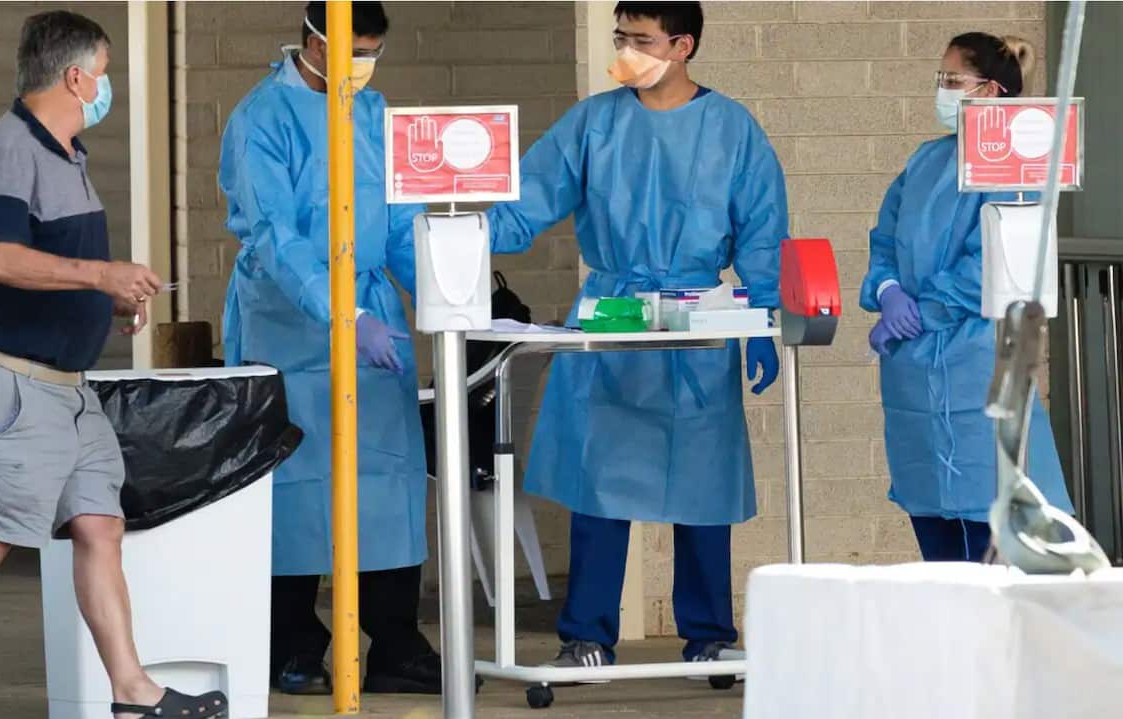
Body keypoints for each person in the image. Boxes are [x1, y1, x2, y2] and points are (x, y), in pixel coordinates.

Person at [0, 11, 226, 719]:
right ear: (76, 76)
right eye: (106, 72)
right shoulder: (9, 149)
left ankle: (132, 691)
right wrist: (100, 274)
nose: (107, 87)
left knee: (98, 525)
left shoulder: (69, 156)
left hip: (68, 388)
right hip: (14, 383)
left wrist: (108, 300)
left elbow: (61, 270)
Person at [486, 1, 786, 672]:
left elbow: (764, 230)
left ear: (682, 45)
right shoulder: (595, 122)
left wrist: (764, 318)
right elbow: (526, 198)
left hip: (699, 320)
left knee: (703, 484)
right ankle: (586, 632)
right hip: (612, 316)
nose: (624, 50)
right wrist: (453, 226)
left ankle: (709, 633)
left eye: (640, 39)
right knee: (601, 481)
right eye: (621, 36)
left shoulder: (732, 130)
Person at [219, 1, 444, 696]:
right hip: (288, 321)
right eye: (352, 49)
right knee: (293, 485)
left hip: (372, 318)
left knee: (388, 478)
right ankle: (292, 642)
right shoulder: (262, 119)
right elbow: (274, 237)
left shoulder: (374, 113)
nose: (362, 66)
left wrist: (445, 294)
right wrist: (341, 312)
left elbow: (401, 220)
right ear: (313, 39)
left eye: (371, 51)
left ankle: (395, 639)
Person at [863, 32, 1073, 562]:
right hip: (914, 369)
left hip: (979, 358)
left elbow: (995, 262)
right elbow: (884, 238)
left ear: (991, 91)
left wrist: (925, 311)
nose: (943, 90)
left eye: (953, 80)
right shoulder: (924, 162)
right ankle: (946, 643)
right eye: (943, 78)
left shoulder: (1013, 170)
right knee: (932, 517)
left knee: (991, 521)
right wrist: (888, 292)